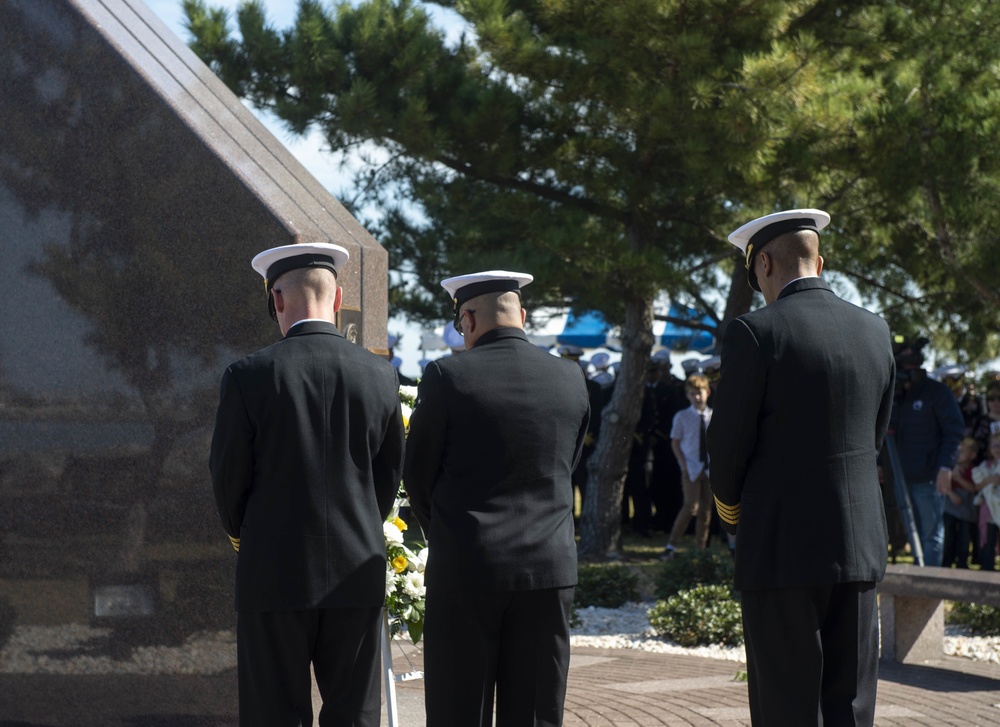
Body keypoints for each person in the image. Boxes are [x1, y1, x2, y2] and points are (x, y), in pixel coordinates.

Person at [708, 209, 896, 726]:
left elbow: (726, 448)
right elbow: (873, 437)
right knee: (852, 709)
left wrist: (733, 514)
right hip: (857, 545)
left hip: (780, 547)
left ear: (764, 263)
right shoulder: (875, 330)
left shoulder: (754, 331)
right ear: (821, 261)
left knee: (787, 707)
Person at [209, 242, 406, 727]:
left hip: (273, 572)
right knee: (354, 716)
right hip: (356, 569)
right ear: (338, 299)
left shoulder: (247, 377)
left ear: (277, 299)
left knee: (273, 714)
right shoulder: (380, 376)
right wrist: (357, 524)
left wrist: (249, 538)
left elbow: (228, 479)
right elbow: (387, 479)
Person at [403, 270, 590, 727]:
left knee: (457, 710)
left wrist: (452, 533)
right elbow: (568, 466)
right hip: (548, 568)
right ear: (522, 316)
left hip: (469, 566)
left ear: (466, 319)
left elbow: (418, 476)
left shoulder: (447, 375)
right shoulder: (570, 377)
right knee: (534, 715)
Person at [891, 336, 965, 566]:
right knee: (906, 537)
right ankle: (914, 587)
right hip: (900, 478)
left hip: (929, 479)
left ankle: (930, 590)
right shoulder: (895, 396)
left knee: (931, 536)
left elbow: (954, 431)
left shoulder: (937, 392)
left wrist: (946, 467)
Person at [661, 374, 713, 558]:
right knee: (690, 506)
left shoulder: (714, 416)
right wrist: (683, 465)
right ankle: (671, 545)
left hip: (709, 469)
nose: (696, 397)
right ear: (687, 396)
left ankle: (700, 548)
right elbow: (675, 442)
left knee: (706, 510)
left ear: (707, 392)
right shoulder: (682, 416)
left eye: (699, 393)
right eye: (692, 394)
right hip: (690, 467)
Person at [943, 437, 980, 568]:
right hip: (950, 505)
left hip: (967, 509)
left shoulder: (975, 470)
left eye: (963, 452)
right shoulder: (949, 467)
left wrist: (958, 478)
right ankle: (946, 563)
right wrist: (951, 493)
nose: (959, 454)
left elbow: (974, 488)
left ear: (972, 455)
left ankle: (962, 564)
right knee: (949, 536)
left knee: (964, 539)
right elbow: (943, 485)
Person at [972, 432, 1000, 570]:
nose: (997, 448)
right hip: (988, 510)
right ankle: (987, 569)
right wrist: (989, 480)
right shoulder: (984, 466)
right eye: (995, 445)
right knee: (988, 540)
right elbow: (976, 486)